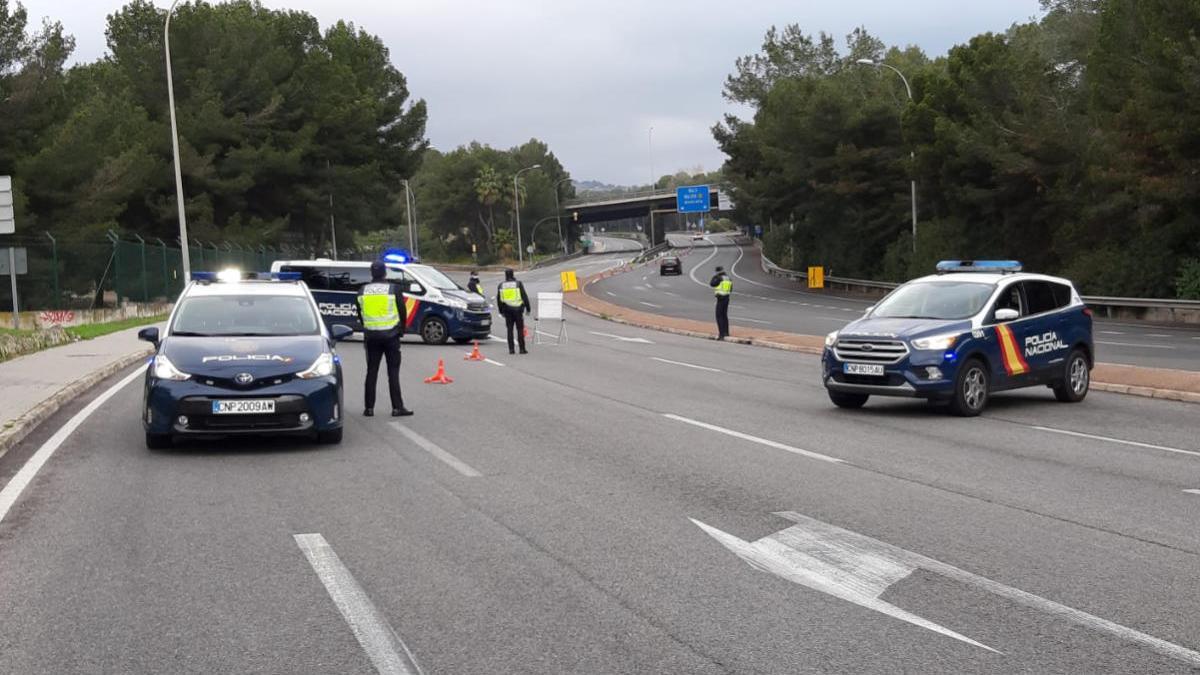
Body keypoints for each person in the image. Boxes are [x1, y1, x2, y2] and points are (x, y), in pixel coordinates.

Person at [356, 261, 413, 417]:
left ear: (371, 273)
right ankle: (397, 407)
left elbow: (361, 315)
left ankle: (369, 408)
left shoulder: (362, 291)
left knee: (371, 372)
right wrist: (401, 330)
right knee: (393, 372)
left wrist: (369, 328)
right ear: (385, 273)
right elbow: (402, 312)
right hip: (391, 336)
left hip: (371, 336)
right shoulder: (393, 289)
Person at [496, 268, 531, 355]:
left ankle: (511, 349)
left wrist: (501, 311)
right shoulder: (518, 284)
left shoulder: (501, 285)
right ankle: (522, 349)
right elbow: (524, 296)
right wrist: (528, 308)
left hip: (507, 310)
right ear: (513, 274)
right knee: (520, 329)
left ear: (505, 275)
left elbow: (499, 300)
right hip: (518, 309)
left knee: (510, 330)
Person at [710, 265, 732, 340]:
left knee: (719, 316)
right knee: (724, 316)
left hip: (720, 298)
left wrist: (714, 277)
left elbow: (712, 284)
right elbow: (731, 289)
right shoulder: (728, 278)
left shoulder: (719, 278)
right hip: (727, 298)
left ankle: (721, 334)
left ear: (717, 271)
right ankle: (726, 332)